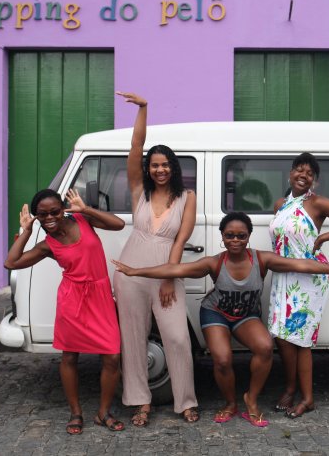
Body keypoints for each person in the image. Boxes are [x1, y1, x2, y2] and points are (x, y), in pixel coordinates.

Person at [112, 212, 329, 427]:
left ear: (248, 237)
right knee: (222, 359)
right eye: (230, 235)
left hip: (246, 316)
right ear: (222, 237)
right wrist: (135, 271)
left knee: (265, 346)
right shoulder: (214, 263)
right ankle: (230, 403)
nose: (235, 240)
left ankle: (250, 399)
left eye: (241, 236)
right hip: (216, 313)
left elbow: (301, 265)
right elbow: (175, 269)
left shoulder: (262, 259)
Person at [4, 189, 126, 434]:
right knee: (69, 356)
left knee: (112, 356)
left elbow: (119, 224)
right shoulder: (47, 245)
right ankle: (75, 413)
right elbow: (11, 262)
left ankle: (103, 413)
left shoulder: (83, 219)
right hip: (72, 299)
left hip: (100, 296)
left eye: (54, 212)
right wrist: (27, 231)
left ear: (63, 209)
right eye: (42, 215)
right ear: (37, 217)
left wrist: (86, 208)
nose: (49, 217)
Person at [112, 91, 199, 425]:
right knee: (133, 338)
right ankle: (140, 401)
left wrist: (168, 277)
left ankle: (185, 401)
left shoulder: (187, 196)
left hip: (166, 271)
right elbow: (136, 147)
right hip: (130, 271)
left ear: (173, 167)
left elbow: (180, 239)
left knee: (177, 337)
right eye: (154, 165)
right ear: (148, 169)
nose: (160, 169)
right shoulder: (140, 192)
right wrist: (143, 109)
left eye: (165, 165)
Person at [269, 152, 329, 418]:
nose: (303, 175)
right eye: (299, 170)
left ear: (315, 181)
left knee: (301, 340)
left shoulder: (318, 203)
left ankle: (307, 398)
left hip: (309, 278)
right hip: (283, 275)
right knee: (282, 337)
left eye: (309, 173)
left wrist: (324, 237)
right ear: (290, 174)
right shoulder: (280, 205)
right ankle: (290, 388)